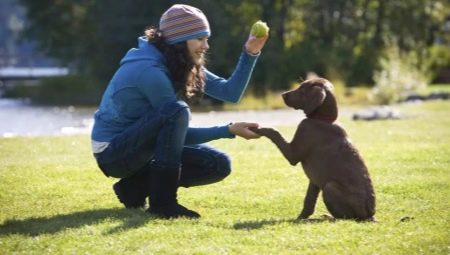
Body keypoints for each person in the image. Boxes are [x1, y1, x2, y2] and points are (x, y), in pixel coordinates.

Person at [91, 4, 268, 219]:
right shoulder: (150, 70)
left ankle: (134, 188)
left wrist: (250, 52)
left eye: (206, 38)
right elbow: (177, 130)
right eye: (200, 39)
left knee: (218, 164)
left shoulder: (178, 59)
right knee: (176, 111)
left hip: (142, 149)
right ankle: (163, 203)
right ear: (179, 40)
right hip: (114, 153)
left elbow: (229, 92)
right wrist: (227, 130)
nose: (206, 46)